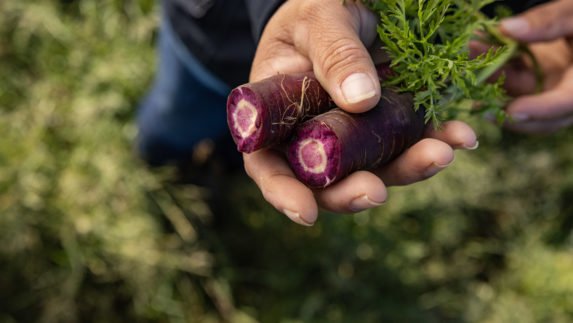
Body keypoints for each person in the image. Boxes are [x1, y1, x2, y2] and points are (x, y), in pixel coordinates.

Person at [137, 0, 565, 226]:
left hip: (390, 49)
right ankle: (160, 172)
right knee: (174, 121)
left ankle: (223, 171)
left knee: (255, 154)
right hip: (214, 35)